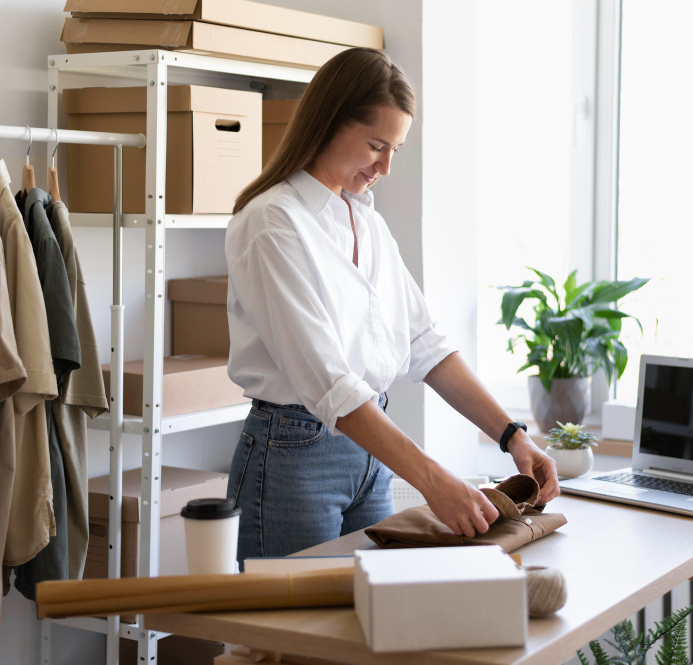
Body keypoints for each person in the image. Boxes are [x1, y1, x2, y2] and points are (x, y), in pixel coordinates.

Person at [225, 47, 558, 566]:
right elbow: (331, 386)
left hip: (370, 452)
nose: (384, 167)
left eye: (395, 149)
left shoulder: (366, 221)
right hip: (294, 457)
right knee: (303, 620)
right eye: (376, 145)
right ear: (328, 121)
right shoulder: (271, 222)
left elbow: (425, 344)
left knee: (374, 612)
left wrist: (513, 436)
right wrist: (431, 480)